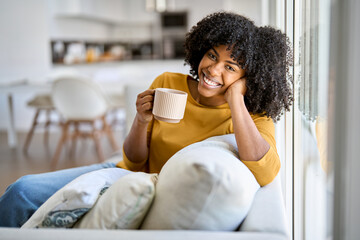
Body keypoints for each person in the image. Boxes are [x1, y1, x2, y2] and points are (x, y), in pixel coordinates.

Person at [0, 11, 293, 228]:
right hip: (124, 172)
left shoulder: (251, 114)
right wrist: (141, 120)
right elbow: (133, 159)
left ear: (248, 77)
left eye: (230, 67)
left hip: (144, 184)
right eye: (212, 56)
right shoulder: (168, 82)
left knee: (23, 192)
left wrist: (236, 100)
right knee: (21, 191)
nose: (213, 70)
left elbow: (266, 171)